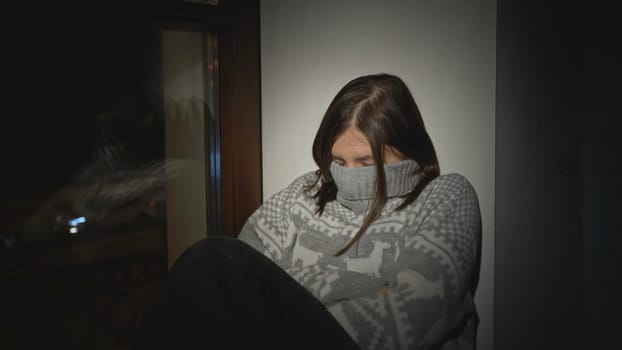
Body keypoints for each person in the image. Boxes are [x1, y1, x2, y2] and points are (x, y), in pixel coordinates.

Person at [131, 73, 481, 350]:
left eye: (365, 162)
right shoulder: (306, 191)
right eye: (339, 161)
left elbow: (417, 312)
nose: (348, 175)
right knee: (211, 263)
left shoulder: (445, 195)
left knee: (215, 258)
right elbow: (241, 286)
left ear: (407, 149)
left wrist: (297, 322)